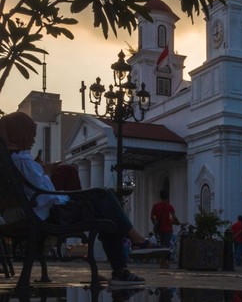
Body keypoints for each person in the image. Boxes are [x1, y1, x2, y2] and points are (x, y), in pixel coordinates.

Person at [0, 111, 150, 285]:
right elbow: (46, 196)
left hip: (26, 213)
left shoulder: (10, 159)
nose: (33, 140)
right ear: (21, 134)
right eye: (32, 135)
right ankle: (128, 255)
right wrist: (47, 173)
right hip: (45, 215)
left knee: (104, 206)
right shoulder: (22, 160)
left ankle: (127, 256)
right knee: (104, 197)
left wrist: (43, 171)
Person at [150, 189, 180, 268]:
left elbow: (152, 216)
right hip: (167, 229)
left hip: (159, 229)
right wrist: (177, 222)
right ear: (167, 197)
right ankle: (162, 262)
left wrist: (155, 223)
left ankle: (164, 262)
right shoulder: (169, 206)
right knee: (166, 246)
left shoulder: (155, 206)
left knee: (162, 245)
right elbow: (173, 217)